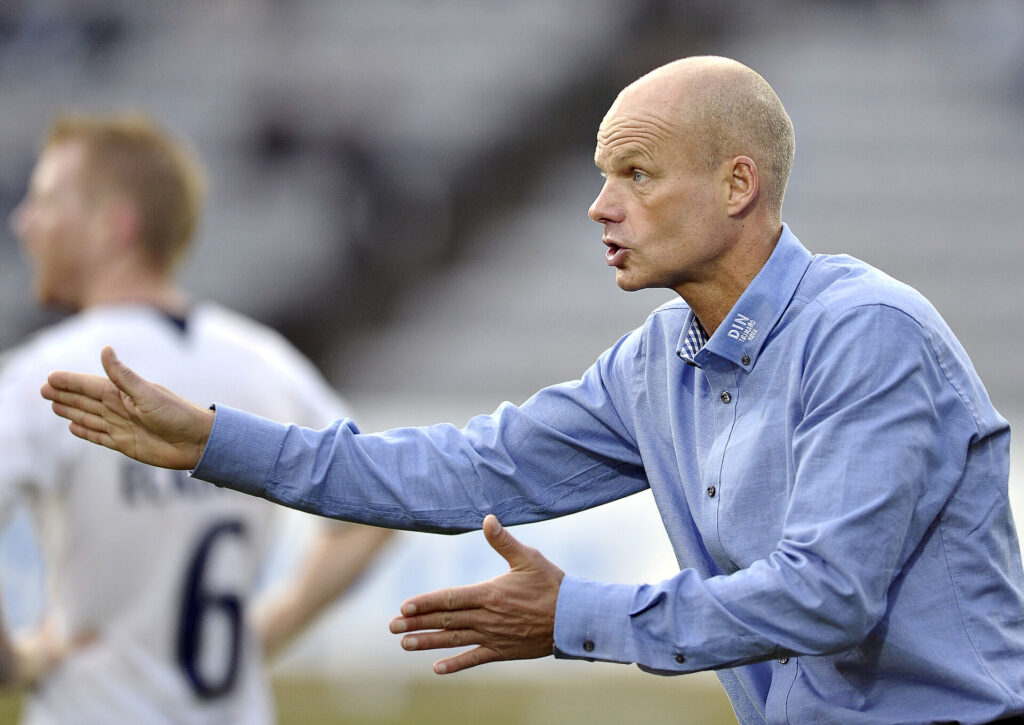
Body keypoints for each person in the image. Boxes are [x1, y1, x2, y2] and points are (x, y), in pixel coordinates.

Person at [41, 56, 1024, 724]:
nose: (601, 206)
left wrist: (569, 616)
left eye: (636, 174)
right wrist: (217, 440)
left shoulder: (867, 334)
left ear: (737, 185)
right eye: (602, 175)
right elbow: (455, 469)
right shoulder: (656, 361)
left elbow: (825, 595)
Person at [2, 111, 392, 723]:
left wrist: (12, 663)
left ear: (115, 226)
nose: (25, 222)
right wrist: (264, 632)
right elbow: (375, 511)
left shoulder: (43, 375)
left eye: (48, 200)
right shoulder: (264, 359)